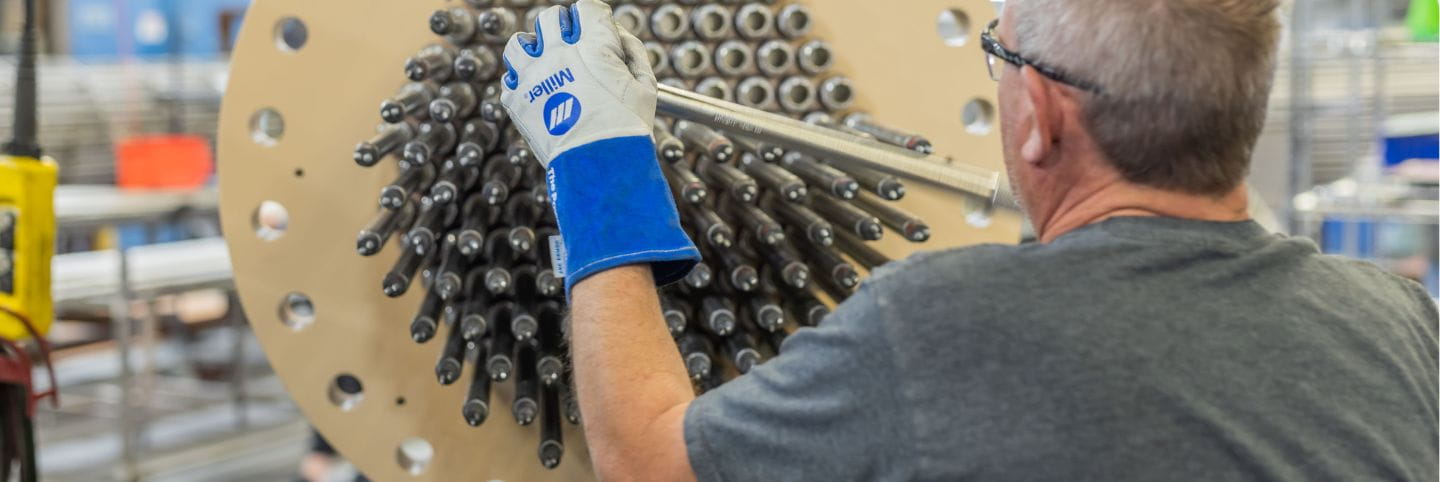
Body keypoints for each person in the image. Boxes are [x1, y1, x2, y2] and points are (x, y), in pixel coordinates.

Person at [499, 0, 1439, 480]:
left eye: (1000, 53)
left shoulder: (942, 325)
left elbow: (650, 463)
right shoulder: (1398, 323)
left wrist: (595, 158)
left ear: (1038, 115)